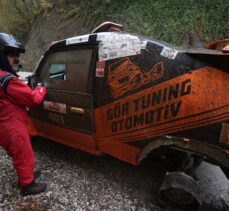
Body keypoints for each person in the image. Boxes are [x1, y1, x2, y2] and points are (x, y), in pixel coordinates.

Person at [0, 32, 47, 195]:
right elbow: (33, 98)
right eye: (12, 55)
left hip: (5, 126)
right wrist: (41, 88)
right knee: (23, 153)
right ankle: (27, 185)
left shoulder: (3, 77)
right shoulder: (7, 80)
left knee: (20, 153)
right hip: (11, 126)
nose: (16, 58)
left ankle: (25, 175)